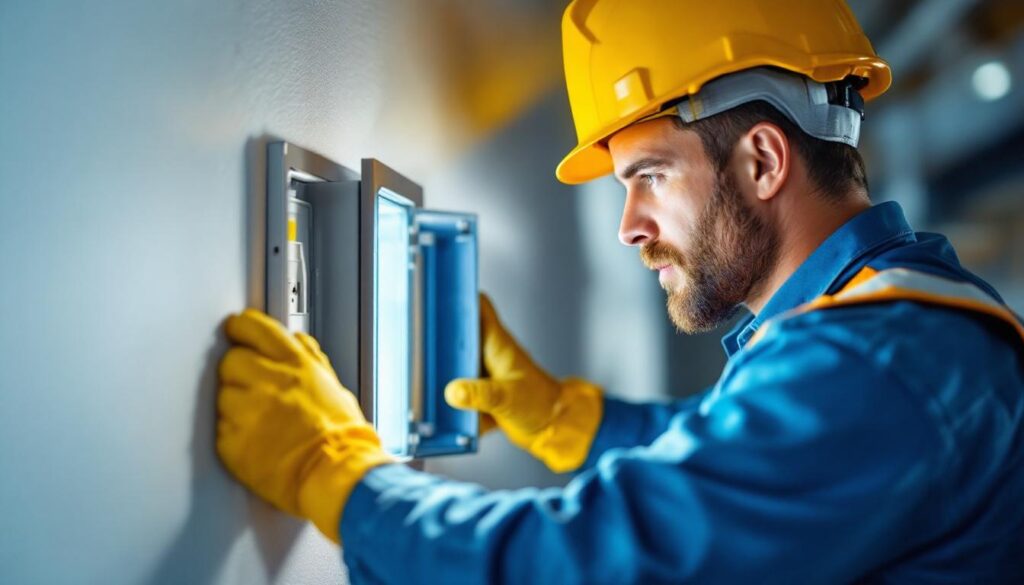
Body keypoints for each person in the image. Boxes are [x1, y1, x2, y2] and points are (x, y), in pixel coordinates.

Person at [216, 1, 1024, 582]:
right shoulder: (902, 317)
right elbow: (746, 463)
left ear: (763, 161)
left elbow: (583, 562)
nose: (628, 225)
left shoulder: (875, 363)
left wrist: (336, 474)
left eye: (649, 175)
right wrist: (573, 420)